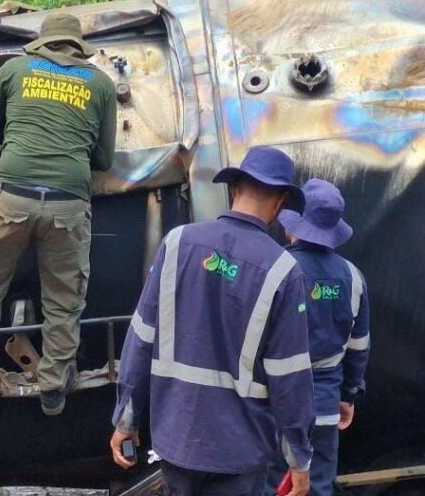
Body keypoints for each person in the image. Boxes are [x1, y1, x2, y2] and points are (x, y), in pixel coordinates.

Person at [109, 146, 315, 496]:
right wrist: (300, 459)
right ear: (280, 203)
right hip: (240, 451)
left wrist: (125, 419)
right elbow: (289, 377)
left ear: (233, 189)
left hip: (177, 440)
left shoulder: (176, 244)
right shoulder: (282, 271)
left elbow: (141, 338)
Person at [0, 12, 117, 416]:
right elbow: (104, 159)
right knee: (63, 301)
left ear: (43, 43)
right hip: (68, 206)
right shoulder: (102, 84)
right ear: (78, 48)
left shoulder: (15, 68)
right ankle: (54, 389)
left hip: (11, 200)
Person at [263, 178, 370, 496]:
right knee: (318, 487)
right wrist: (348, 395)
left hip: (274, 407)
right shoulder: (352, 276)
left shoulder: (274, 268)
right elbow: (358, 347)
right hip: (324, 406)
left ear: (293, 223)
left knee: (272, 486)